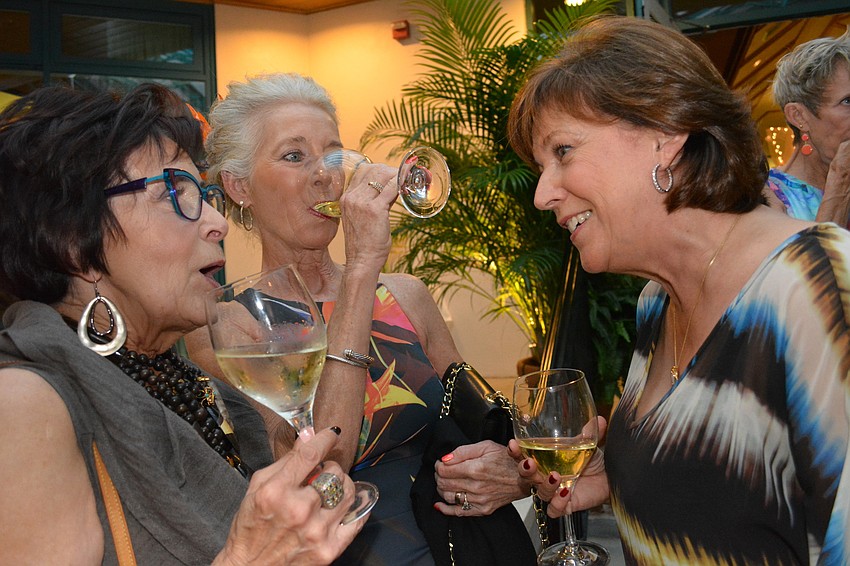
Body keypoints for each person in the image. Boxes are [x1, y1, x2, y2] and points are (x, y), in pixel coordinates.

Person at [0, 82, 398, 564]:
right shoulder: (24, 405)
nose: (218, 222)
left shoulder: (190, 385)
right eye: (176, 192)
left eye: (203, 194)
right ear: (74, 243)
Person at [508, 16, 850, 565]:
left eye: (563, 151)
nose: (543, 193)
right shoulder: (656, 302)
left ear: (663, 136)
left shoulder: (816, 286)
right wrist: (623, 474)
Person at [184, 72, 546, 565]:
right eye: (294, 156)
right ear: (239, 185)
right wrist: (359, 272)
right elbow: (318, 470)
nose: (325, 175)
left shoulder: (407, 297)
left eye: (332, 155)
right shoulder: (227, 327)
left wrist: (512, 470)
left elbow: (482, 424)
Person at [766, 27, 850, 225]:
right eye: (848, 101)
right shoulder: (769, 200)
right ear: (799, 116)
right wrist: (839, 188)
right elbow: (811, 256)